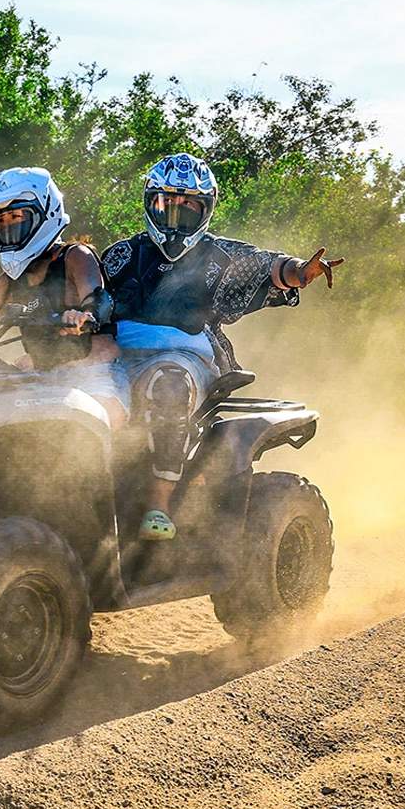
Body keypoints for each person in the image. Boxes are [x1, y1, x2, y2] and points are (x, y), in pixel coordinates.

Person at [102, 152, 343, 541]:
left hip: (187, 357)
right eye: (168, 206)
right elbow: (84, 297)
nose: (177, 218)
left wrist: (299, 272)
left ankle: (157, 507)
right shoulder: (122, 255)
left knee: (169, 383)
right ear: (151, 204)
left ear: (206, 211)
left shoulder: (223, 255)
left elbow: (270, 266)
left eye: (189, 208)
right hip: (115, 358)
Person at [0, 166, 131, 427]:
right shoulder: (11, 277)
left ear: (45, 212)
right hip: (40, 378)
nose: (7, 226)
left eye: (15, 216)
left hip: (92, 375)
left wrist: (83, 315)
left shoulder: (76, 256)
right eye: (0, 221)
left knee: (93, 431)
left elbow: (98, 300)